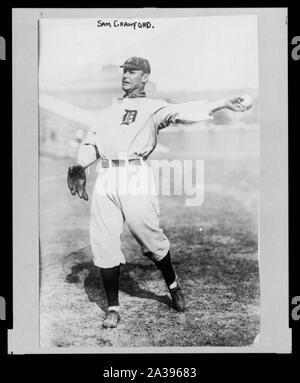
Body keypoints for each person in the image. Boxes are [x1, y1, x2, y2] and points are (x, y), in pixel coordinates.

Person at [67, 56, 249, 329]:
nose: (126, 75)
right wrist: (80, 164)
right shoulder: (106, 112)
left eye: (133, 71)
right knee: (103, 243)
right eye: (124, 71)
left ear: (145, 77)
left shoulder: (154, 108)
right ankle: (113, 309)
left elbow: (181, 112)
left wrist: (220, 103)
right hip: (106, 176)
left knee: (150, 240)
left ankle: (173, 285)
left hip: (135, 174)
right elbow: (92, 142)